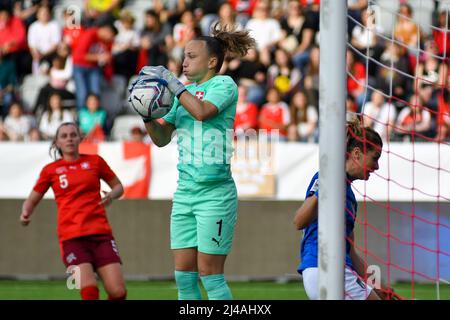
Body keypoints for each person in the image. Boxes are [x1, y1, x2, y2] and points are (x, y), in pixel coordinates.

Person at [131, 23, 255, 300]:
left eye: (191, 56)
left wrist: (173, 85)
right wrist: (146, 111)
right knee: (184, 279)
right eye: (184, 57)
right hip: (185, 192)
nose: (184, 62)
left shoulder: (224, 84)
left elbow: (202, 112)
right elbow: (162, 138)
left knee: (210, 275)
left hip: (215, 193)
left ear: (212, 61)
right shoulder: (181, 93)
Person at [19, 122, 126, 300]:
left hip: (101, 234)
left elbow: (118, 187)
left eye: (73, 135)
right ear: (57, 142)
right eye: (64, 136)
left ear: (80, 138)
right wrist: (25, 213)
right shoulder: (50, 171)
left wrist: (111, 195)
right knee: (90, 291)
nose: (69, 138)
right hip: (71, 238)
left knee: (118, 292)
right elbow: (32, 199)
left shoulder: (95, 162)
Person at [293, 118, 396, 300]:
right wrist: (325, 185)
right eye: (375, 158)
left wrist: (379, 286)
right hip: (325, 269)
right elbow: (299, 221)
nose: (377, 166)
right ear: (356, 153)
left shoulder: (350, 198)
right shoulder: (325, 177)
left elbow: (351, 253)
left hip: (336, 270)